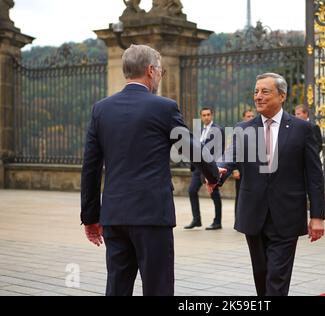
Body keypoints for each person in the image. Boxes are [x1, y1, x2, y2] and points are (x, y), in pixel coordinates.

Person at [80, 45, 219, 296]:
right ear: (151, 70)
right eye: (161, 71)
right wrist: (213, 175)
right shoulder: (163, 107)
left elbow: (90, 167)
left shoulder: (101, 109)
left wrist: (90, 217)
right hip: (152, 215)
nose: (160, 76)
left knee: (117, 287)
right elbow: (192, 148)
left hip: (115, 215)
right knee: (158, 287)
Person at [211, 73, 325, 296]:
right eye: (256, 92)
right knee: (261, 274)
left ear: (282, 96)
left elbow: (314, 175)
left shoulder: (302, 129)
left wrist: (317, 216)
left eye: (265, 91)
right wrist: (216, 172)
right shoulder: (243, 128)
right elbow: (229, 156)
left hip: (287, 215)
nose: (258, 97)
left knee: (277, 278)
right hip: (253, 213)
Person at [184, 107, 225, 230]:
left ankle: (217, 222)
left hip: (210, 167)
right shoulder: (199, 131)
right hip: (198, 168)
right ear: (201, 117)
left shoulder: (218, 130)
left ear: (212, 115)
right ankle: (196, 220)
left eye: (208, 114)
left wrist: (216, 167)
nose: (206, 117)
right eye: (204, 115)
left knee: (214, 194)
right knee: (191, 191)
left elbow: (219, 149)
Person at [231, 109, 255, 215]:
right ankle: (238, 217)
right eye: (248, 116)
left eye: (252, 116)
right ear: (243, 118)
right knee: (240, 194)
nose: (251, 118)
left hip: (254, 167)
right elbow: (234, 150)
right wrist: (235, 169)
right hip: (241, 168)